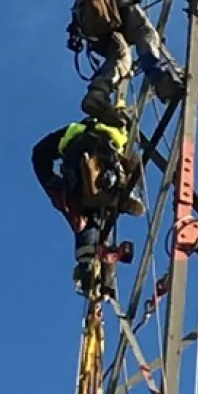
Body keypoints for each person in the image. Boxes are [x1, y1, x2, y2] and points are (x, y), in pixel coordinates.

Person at [31, 117, 147, 295]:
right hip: (99, 168)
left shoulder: (75, 131)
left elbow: (39, 155)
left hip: (84, 172)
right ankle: (126, 192)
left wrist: (56, 188)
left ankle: (91, 269)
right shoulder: (117, 133)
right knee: (93, 216)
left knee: (89, 219)